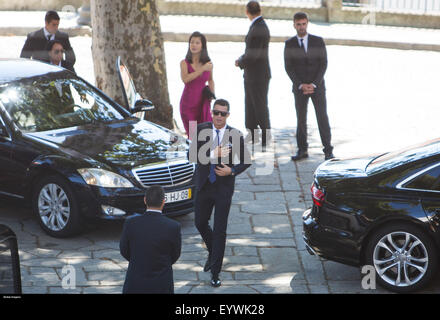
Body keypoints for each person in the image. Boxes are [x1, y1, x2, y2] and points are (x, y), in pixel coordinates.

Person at [189, 99, 251, 287]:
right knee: (200, 222)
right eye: (216, 112)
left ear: (228, 115)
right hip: (204, 185)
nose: (218, 116)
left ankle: (215, 272)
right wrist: (211, 154)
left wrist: (231, 171)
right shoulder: (201, 130)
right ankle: (212, 251)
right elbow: (191, 156)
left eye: (222, 114)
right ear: (211, 112)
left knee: (220, 230)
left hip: (223, 188)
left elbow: (246, 161)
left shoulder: (235, 134)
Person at [284, 12, 334, 161]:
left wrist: (313, 84)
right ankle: (302, 150)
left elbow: (323, 63)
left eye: (304, 24)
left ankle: (328, 150)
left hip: (317, 87)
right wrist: (300, 85)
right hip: (299, 88)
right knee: (301, 119)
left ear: (307, 23)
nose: (301, 27)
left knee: (322, 117)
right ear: (294, 25)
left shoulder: (318, 41)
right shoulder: (289, 44)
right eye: (298, 24)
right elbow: (288, 67)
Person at [119, 185, 181, 294]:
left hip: (135, 282)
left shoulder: (131, 223)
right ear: (163, 202)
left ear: (145, 200)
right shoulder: (173, 226)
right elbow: (175, 255)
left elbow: (124, 250)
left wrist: (138, 261)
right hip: (161, 283)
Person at [235, 1, 271, 147]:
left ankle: (264, 136)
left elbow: (253, 54)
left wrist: (240, 61)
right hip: (253, 74)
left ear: (247, 11)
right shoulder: (259, 26)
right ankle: (253, 134)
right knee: (250, 104)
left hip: (258, 75)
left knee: (259, 105)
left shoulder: (259, 27)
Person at [180, 31, 215, 137]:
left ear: (202, 46)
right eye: (192, 42)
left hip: (203, 104)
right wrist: (202, 69)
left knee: (206, 134)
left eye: (197, 43)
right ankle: (193, 153)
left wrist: (212, 96)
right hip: (188, 104)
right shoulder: (184, 63)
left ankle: (205, 154)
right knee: (193, 136)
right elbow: (185, 79)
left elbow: (211, 80)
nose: (194, 45)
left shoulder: (208, 63)